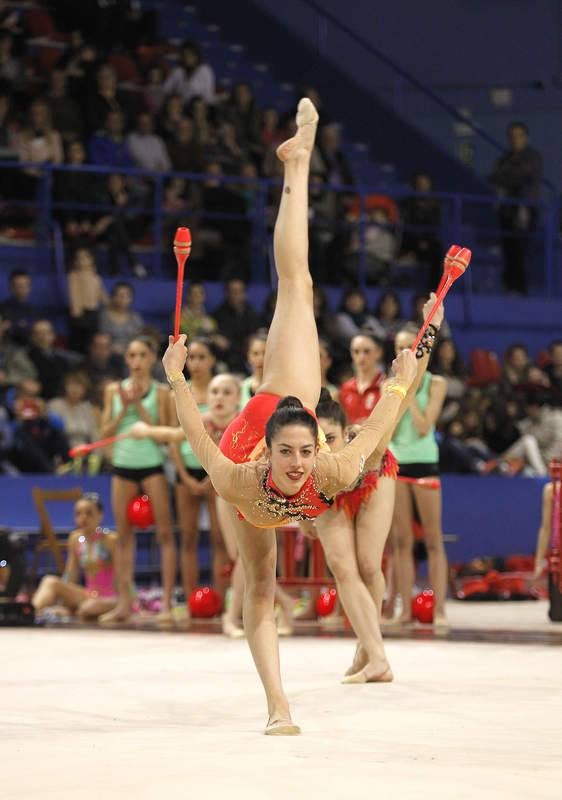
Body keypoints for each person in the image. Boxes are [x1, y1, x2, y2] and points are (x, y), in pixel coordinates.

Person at [138, 100, 428, 735]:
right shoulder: (240, 483)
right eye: (291, 454)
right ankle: (277, 704)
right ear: (269, 455)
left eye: (307, 453)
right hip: (272, 410)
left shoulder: (331, 467)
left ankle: (297, 163)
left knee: (298, 283)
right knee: (259, 589)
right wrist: (176, 377)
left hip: (288, 403)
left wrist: (401, 386)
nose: (301, 464)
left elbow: (374, 431)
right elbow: (196, 433)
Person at [99, 337, 174, 624]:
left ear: (151, 358)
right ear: (127, 359)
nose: (137, 360)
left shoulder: (161, 392)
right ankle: (123, 603)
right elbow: (105, 431)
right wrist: (123, 408)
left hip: (152, 463)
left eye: (142, 354)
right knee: (123, 536)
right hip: (123, 464)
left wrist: (140, 410)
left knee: (165, 534)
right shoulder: (112, 390)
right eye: (132, 355)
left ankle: (166, 603)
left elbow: (167, 431)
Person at [390, 325, 449, 628]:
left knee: (433, 540)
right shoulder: (389, 384)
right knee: (401, 542)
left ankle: (439, 610)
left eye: (409, 347)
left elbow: (425, 426)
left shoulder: (436, 383)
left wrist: (409, 389)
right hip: (397, 464)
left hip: (425, 463)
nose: (404, 353)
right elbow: (391, 429)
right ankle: (404, 611)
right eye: (399, 348)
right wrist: (400, 386)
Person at [32, 494, 117, 621]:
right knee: (50, 581)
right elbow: (71, 574)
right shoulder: (76, 539)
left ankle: (72, 611)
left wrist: (128, 602)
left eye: (89, 513)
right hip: (88, 594)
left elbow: (124, 576)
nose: (83, 518)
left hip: (110, 597)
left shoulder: (111, 539)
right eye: (78, 514)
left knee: (88, 608)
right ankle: (29, 612)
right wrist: (64, 600)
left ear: (100, 515)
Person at [489, 122, 543, 295]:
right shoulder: (504, 159)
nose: (515, 139)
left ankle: (522, 288)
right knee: (508, 248)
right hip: (507, 210)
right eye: (512, 136)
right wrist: (508, 177)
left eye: (519, 135)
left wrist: (508, 177)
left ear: (525, 137)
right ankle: (509, 286)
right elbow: (494, 177)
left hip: (525, 209)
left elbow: (522, 176)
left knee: (521, 249)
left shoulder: (533, 157)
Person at [67, 247, 108, 354]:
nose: (81, 260)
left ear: (92, 259)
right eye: (78, 258)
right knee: (78, 343)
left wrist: (109, 303)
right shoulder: (74, 275)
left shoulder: (96, 277)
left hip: (93, 313)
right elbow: (74, 292)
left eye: (84, 257)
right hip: (81, 313)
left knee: (91, 342)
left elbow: (101, 295)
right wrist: (76, 309)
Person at [99, 282, 144, 358]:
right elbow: (101, 340)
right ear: (113, 297)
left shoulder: (135, 318)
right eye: (120, 296)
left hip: (131, 355)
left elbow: (141, 339)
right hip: (108, 355)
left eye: (127, 296)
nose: (123, 299)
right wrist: (112, 349)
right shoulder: (104, 316)